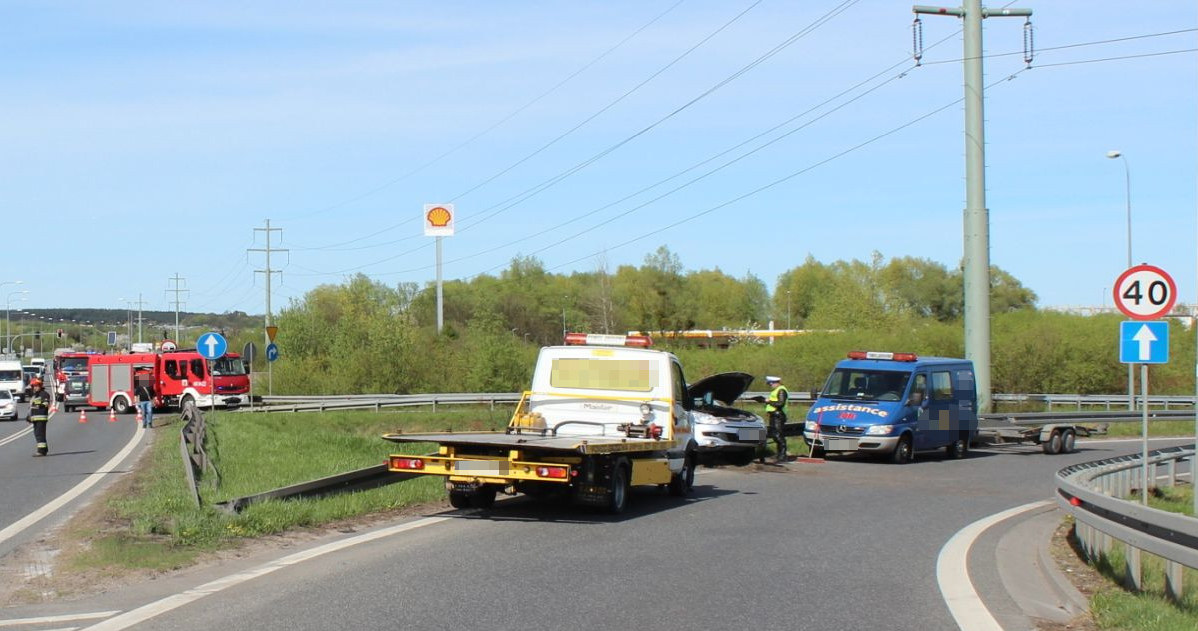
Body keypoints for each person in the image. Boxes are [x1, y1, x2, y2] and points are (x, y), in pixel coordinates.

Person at [763, 375, 789, 463]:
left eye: (771, 384)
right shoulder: (776, 390)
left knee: (778, 435)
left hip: (778, 416)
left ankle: (783, 455)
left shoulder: (781, 390)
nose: (770, 385)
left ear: (776, 382)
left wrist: (768, 401)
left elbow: (780, 403)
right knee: (775, 435)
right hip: (774, 415)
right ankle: (779, 454)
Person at [27, 379, 51, 456]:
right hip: (35, 418)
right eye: (33, 386)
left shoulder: (44, 394)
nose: (35, 388)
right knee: (38, 434)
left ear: (40, 386)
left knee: (39, 434)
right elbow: (31, 408)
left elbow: (46, 404)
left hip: (41, 418)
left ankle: (40, 451)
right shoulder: (35, 396)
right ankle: (44, 449)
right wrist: (29, 416)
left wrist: (38, 405)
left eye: (36, 386)